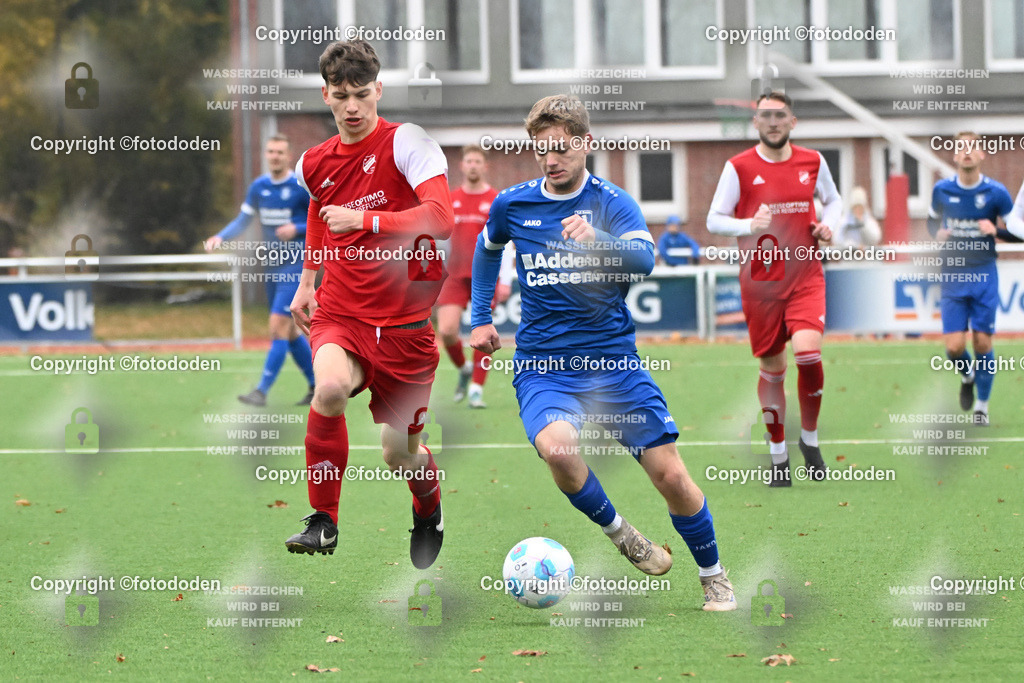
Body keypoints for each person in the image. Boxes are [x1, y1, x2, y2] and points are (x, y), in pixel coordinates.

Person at [471, 94, 736, 611]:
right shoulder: (514, 204)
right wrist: (481, 316)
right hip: (544, 365)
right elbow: (487, 248)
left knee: (672, 476)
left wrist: (597, 241)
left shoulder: (614, 203)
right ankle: (622, 535)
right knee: (558, 450)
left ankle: (714, 574)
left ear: (586, 144)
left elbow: (643, 260)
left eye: (564, 147)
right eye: (543, 149)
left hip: (613, 363)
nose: (553, 158)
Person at [285, 39, 454, 569]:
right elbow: (318, 210)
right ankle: (323, 521)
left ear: (378, 90)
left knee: (398, 453)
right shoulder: (312, 162)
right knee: (329, 387)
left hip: (406, 329)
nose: (353, 106)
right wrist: (308, 279)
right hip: (343, 313)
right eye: (342, 96)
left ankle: (428, 510)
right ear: (326, 96)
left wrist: (366, 219)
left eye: (362, 94)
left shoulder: (408, 143)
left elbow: (441, 218)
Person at [706, 91, 841, 487]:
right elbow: (714, 219)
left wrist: (830, 225)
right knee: (773, 368)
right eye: (765, 115)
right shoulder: (739, 167)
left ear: (792, 122)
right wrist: (749, 226)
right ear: (756, 123)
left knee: (809, 354)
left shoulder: (813, 161)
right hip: (762, 286)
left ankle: (810, 440)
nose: (773, 122)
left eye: (780, 115)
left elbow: (833, 202)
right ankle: (778, 455)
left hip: (806, 276)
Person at [205, 135, 316, 406]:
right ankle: (317, 385)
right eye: (270, 151)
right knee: (290, 334)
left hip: (296, 265)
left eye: (280, 152)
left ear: (289, 156)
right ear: (266, 154)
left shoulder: (300, 187)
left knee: (278, 327)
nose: (275, 156)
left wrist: (297, 229)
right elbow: (244, 218)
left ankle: (261, 391)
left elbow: (319, 218)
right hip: (272, 265)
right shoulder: (259, 187)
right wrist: (221, 237)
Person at [928, 131, 1021, 425]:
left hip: (983, 274)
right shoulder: (941, 190)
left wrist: (997, 232)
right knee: (954, 347)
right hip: (953, 275)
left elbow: (1016, 229)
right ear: (954, 156)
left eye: (972, 147)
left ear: (982, 154)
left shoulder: (996, 193)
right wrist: (937, 234)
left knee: (982, 342)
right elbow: (932, 222)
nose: (967, 152)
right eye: (961, 148)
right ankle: (967, 376)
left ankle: (982, 405)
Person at [435, 145, 514, 408]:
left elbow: (506, 243)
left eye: (477, 161)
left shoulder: (496, 199)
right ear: (462, 166)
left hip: (485, 276)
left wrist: (504, 280)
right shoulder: (450, 198)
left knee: (482, 333)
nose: (472, 165)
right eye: (468, 161)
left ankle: (477, 390)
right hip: (454, 276)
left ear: (485, 166)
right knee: (446, 331)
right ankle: (464, 368)